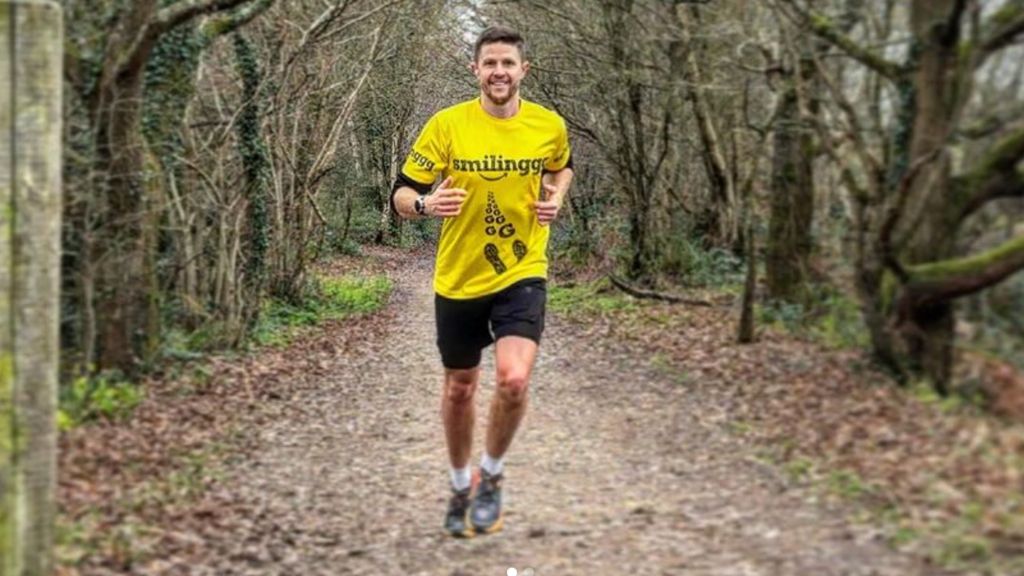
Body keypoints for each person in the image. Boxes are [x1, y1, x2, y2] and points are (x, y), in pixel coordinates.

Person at [390, 25, 574, 537]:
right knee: (460, 389)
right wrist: (426, 205)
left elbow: (562, 169)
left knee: (513, 381)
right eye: (489, 63)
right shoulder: (447, 126)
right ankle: (458, 483)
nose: (499, 72)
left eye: (508, 64)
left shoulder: (548, 125)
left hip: (522, 268)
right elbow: (402, 194)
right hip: (459, 276)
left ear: (523, 71)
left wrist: (556, 196)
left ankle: (490, 474)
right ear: (475, 70)